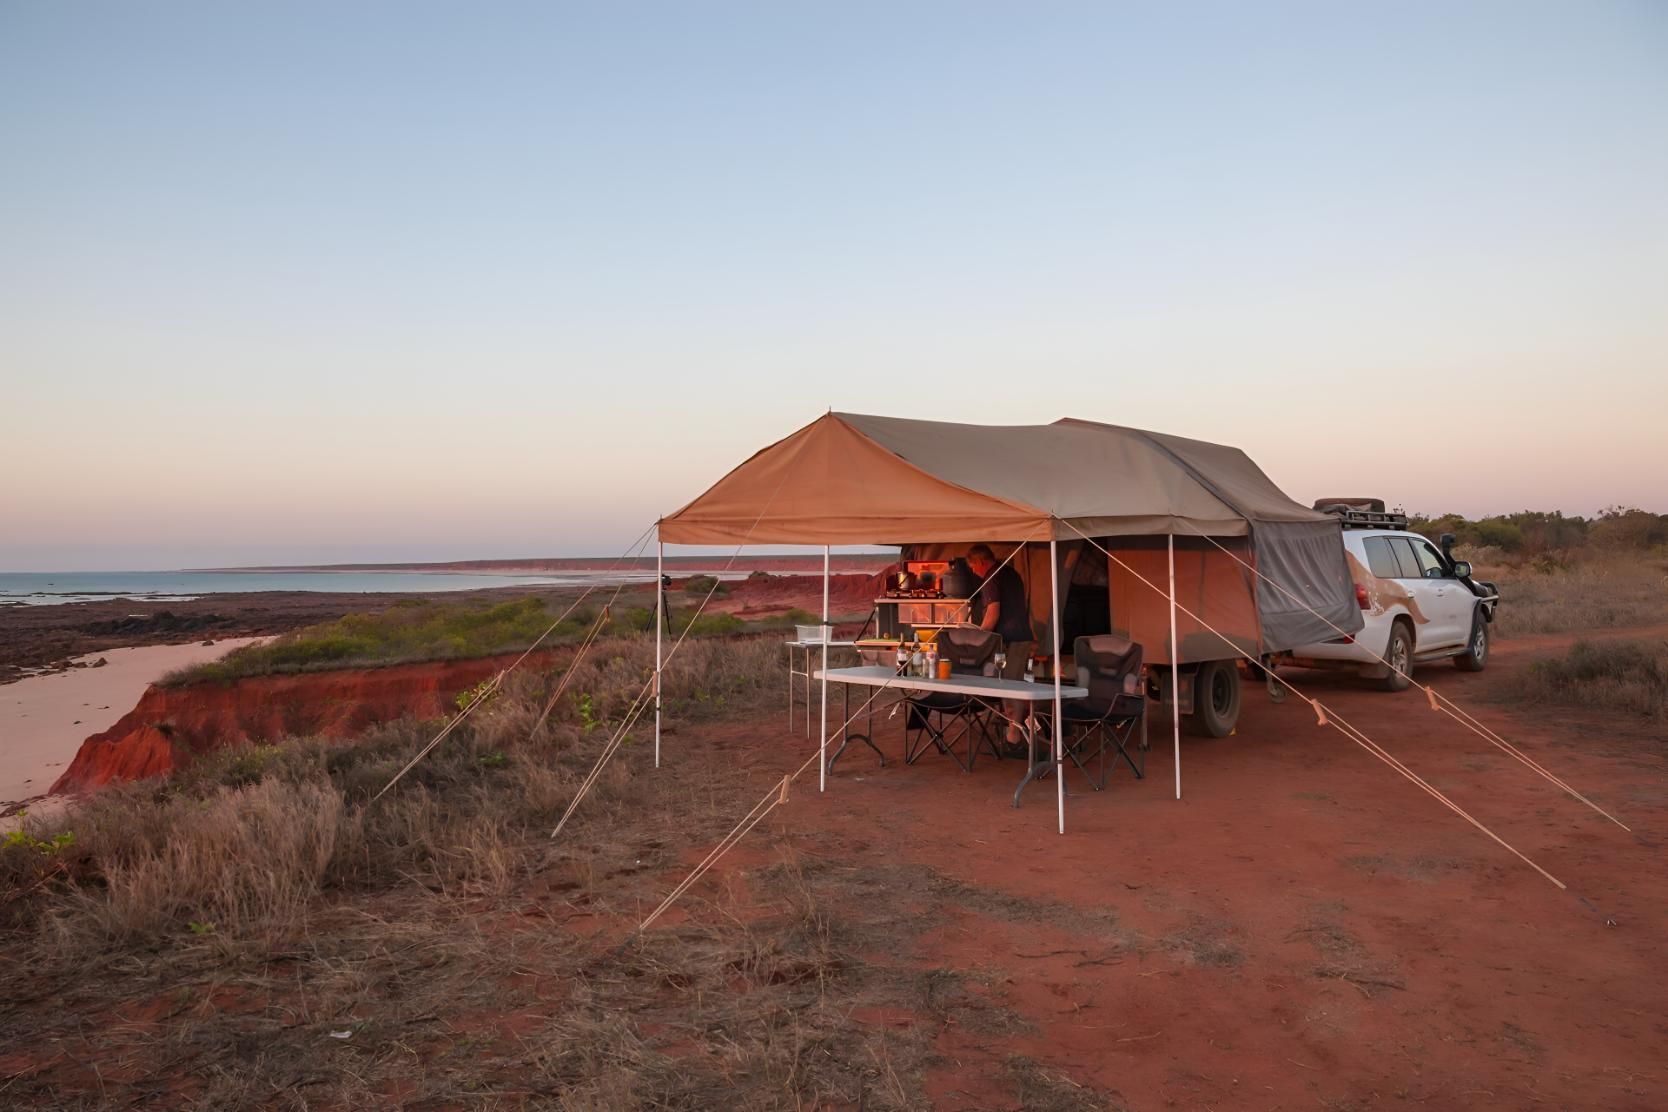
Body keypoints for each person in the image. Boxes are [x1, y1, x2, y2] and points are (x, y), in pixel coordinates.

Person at [965, 544, 1036, 749]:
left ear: (980, 561)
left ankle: (1015, 736)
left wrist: (977, 636)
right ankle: (1015, 731)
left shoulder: (991, 577)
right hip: (1022, 636)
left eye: (972, 566)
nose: (973, 571)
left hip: (1010, 640)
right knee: (1015, 684)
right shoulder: (1011, 573)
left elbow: (993, 613)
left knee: (1009, 686)